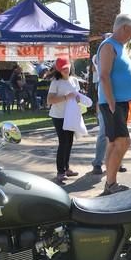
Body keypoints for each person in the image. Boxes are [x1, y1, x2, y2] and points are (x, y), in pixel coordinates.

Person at [98, 13, 131, 195]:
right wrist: (112, 102)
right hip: (113, 103)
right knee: (123, 142)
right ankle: (111, 184)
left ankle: (110, 182)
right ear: (124, 28)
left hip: (121, 103)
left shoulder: (120, 46)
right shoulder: (108, 46)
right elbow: (104, 75)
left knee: (114, 143)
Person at [90, 50, 127, 175]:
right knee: (103, 133)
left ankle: (117, 162)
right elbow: (103, 74)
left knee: (119, 134)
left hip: (120, 101)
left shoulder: (120, 59)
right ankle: (97, 163)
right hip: (106, 101)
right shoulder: (98, 56)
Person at [47, 57, 81, 185]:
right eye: (63, 69)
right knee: (63, 143)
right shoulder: (55, 82)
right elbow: (49, 100)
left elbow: (77, 96)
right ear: (58, 70)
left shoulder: (74, 80)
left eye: (67, 68)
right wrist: (66, 97)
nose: (65, 71)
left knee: (69, 142)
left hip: (71, 115)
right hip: (58, 116)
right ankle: (60, 171)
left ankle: (66, 168)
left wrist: (78, 99)